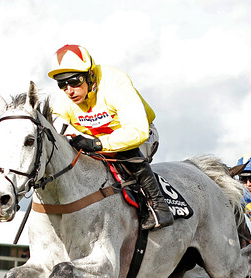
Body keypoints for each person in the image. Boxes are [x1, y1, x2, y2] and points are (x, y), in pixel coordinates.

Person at [47, 44, 173, 230]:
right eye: (62, 84)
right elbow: (56, 127)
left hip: (141, 137)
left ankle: (160, 207)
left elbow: (136, 131)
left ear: (90, 75)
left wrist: (97, 144)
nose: (69, 90)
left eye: (75, 82)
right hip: (95, 140)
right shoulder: (64, 98)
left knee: (122, 149)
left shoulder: (115, 82)